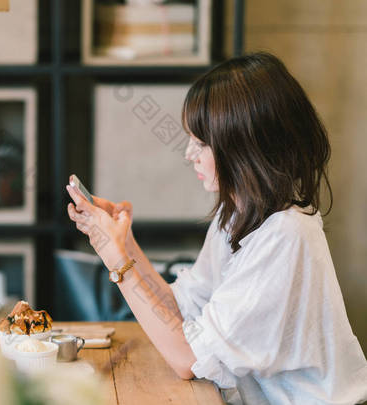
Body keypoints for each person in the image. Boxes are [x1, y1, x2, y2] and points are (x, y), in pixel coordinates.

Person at [66, 52, 367, 405]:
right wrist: (124, 243)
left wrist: (116, 258)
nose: (189, 154)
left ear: (242, 146)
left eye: (201, 143)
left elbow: (187, 359)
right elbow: (181, 311)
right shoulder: (236, 215)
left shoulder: (286, 235)